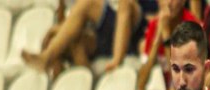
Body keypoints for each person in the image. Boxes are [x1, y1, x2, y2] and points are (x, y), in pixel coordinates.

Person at [131, 0, 199, 90]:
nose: (169, 3)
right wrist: (157, 40)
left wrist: (167, 35)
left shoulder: (191, 27)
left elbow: (178, 80)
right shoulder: (155, 25)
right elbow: (141, 83)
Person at [22, 0, 150, 73]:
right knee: (67, 39)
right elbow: (68, 22)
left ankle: (116, 60)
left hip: (131, 30)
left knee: (88, 4)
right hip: (100, 34)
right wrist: (56, 29)